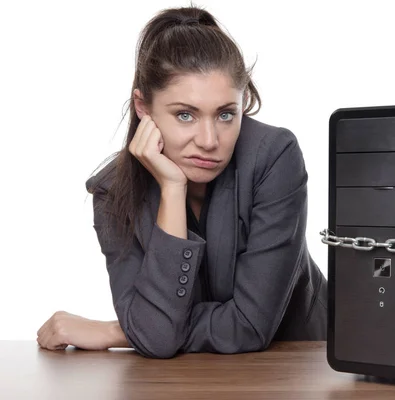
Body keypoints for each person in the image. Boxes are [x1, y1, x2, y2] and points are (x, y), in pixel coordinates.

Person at [35, 5, 327, 358]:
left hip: (300, 363)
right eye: (185, 115)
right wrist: (173, 189)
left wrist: (119, 330)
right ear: (143, 107)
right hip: (179, 380)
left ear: (243, 103)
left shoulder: (273, 157)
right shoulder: (112, 192)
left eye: (225, 114)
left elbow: (250, 326)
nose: (208, 140)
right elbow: (157, 338)